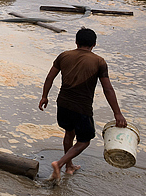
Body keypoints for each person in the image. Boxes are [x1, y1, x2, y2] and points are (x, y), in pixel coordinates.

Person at [38, 28, 127, 180]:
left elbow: (49, 78)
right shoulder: (99, 61)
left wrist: (44, 96)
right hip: (82, 107)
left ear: (76, 42)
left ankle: (69, 165)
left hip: (63, 103)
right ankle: (59, 163)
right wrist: (117, 113)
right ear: (94, 44)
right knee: (84, 140)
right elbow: (108, 89)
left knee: (69, 132)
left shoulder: (64, 55)